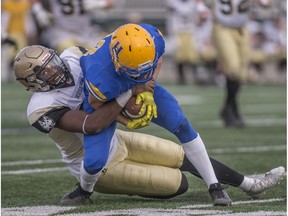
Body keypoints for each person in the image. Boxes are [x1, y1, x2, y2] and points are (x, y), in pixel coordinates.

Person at [13, 45, 285, 205]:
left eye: (52, 62)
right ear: (32, 83)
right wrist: (127, 95)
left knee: (183, 157)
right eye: (44, 71)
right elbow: (93, 125)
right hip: (100, 166)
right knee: (179, 185)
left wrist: (136, 87)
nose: (55, 69)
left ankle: (251, 184)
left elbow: (106, 68)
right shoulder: (40, 109)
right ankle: (84, 190)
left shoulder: (73, 55)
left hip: (118, 140)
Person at [204, 0, 273, 127]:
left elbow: (266, 4)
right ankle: (230, 109)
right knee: (233, 68)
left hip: (242, 28)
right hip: (222, 27)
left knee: (242, 74)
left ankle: (229, 108)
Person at [30, 0, 113, 53]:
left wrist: (98, 3)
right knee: (72, 57)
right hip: (62, 32)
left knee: (105, 52)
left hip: (87, 32)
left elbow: (110, 3)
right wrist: (38, 10)